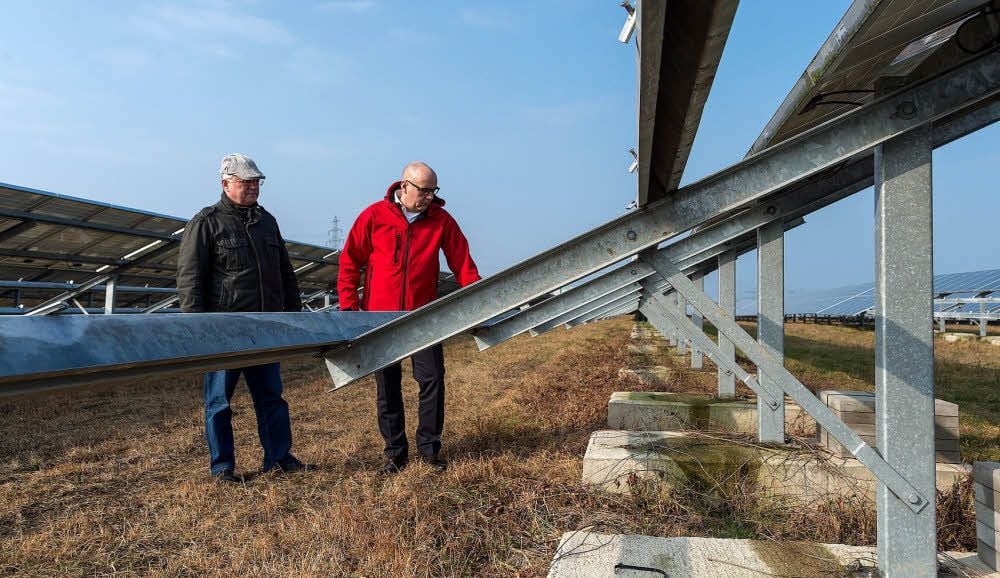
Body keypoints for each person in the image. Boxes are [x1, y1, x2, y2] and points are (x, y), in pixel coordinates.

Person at [338, 161, 480, 474]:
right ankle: (395, 455)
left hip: (423, 316)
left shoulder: (441, 220)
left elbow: (462, 263)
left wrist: (479, 300)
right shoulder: (374, 216)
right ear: (404, 186)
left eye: (433, 191)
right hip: (380, 318)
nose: (429, 197)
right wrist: (349, 309)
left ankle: (429, 451)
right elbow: (350, 261)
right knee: (387, 386)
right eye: (423, 190)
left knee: (432, 380)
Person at [177, 153, 312, 483]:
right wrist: (198, 326)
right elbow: (190, 277)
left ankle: (278, 458)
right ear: (226, 183)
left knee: (271, 398)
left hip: (264, 328)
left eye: (256, 182)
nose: (253, 187)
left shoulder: (267, 222)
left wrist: (293, 315)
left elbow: (284, 271)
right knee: (219, 402)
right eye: (245, 181)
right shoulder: (206, 223)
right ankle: (222, 467)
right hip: (225, 330)